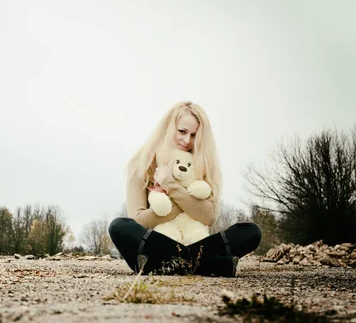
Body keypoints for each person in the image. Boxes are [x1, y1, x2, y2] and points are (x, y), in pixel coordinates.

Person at [109, 101, 261, 277]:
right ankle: (208, 264)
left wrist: (170, 185)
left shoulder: (206, 165)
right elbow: (139, 221)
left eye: (194, 135)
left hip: (193, 240)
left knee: (250, 232)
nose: (187, 141)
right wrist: (188, 202)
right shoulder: (141, 164)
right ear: (168, 128)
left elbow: (209, 216)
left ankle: (168, 264)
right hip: (157, 241)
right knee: (119, 227)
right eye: (182, 131)